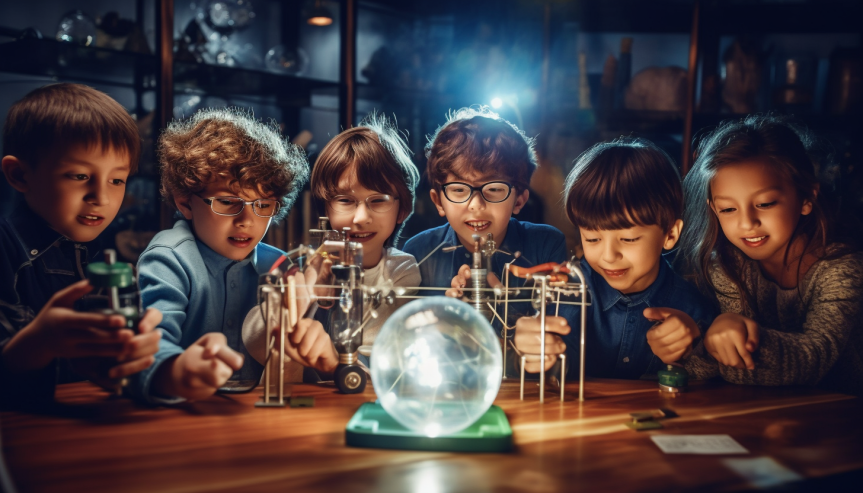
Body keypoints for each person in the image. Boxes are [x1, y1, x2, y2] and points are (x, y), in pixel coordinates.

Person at [0, 83, 162, 406]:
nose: (101, 197)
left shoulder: (101, 254)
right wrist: (42, 342)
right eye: (78, 176)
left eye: (117, 180)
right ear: (19, 175)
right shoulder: (6, 249)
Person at [132, 107, 308, 403]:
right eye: (228, 202)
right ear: (185, 202)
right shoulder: (169, 259)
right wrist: (179, 370)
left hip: (257, 414)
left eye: (263, 205)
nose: (247, 222)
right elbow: (151, 342)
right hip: (184, 413)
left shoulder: (278, 265)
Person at [679, 115, 863, 395]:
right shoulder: (728, 265)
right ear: (714, 210)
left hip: (840, 419)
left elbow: (813, 362)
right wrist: (688, 343)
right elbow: (721, 363)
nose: (747, 223)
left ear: (806, 199)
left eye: (765, 203)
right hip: (761, 413)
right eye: (729, 209)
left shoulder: (842, 269)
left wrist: (717, 344)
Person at [514, 138, 716, 379]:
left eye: (629, 240)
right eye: (592, 239)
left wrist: (695, 348)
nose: (609, 256)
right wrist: (530, 355)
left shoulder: (692, 307)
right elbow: (545, 371)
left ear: (670, 234)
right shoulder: (564, 294)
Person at [242, 114, 421, 377]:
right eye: (345, 201)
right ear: (325, 207)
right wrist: (308, 285)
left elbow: (383, 368)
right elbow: (256, 341)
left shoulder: (400, 270)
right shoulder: (301, 266)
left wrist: (333, 361)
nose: (361, 218)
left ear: (402, 209)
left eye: (379, 201)